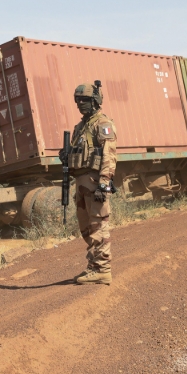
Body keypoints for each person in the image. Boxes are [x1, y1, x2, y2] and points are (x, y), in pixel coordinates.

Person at [69, 81, 117, 285]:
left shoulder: (102, 124)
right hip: (81, 183)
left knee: (98, 225)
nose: (81, 104)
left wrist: (104, 184)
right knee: (86, 228)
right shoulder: (80, 127)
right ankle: (94, 266)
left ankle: (104, 270)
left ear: (95, 101)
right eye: (78, 100)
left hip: (94, 181)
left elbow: (109, 155)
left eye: (85, 100)